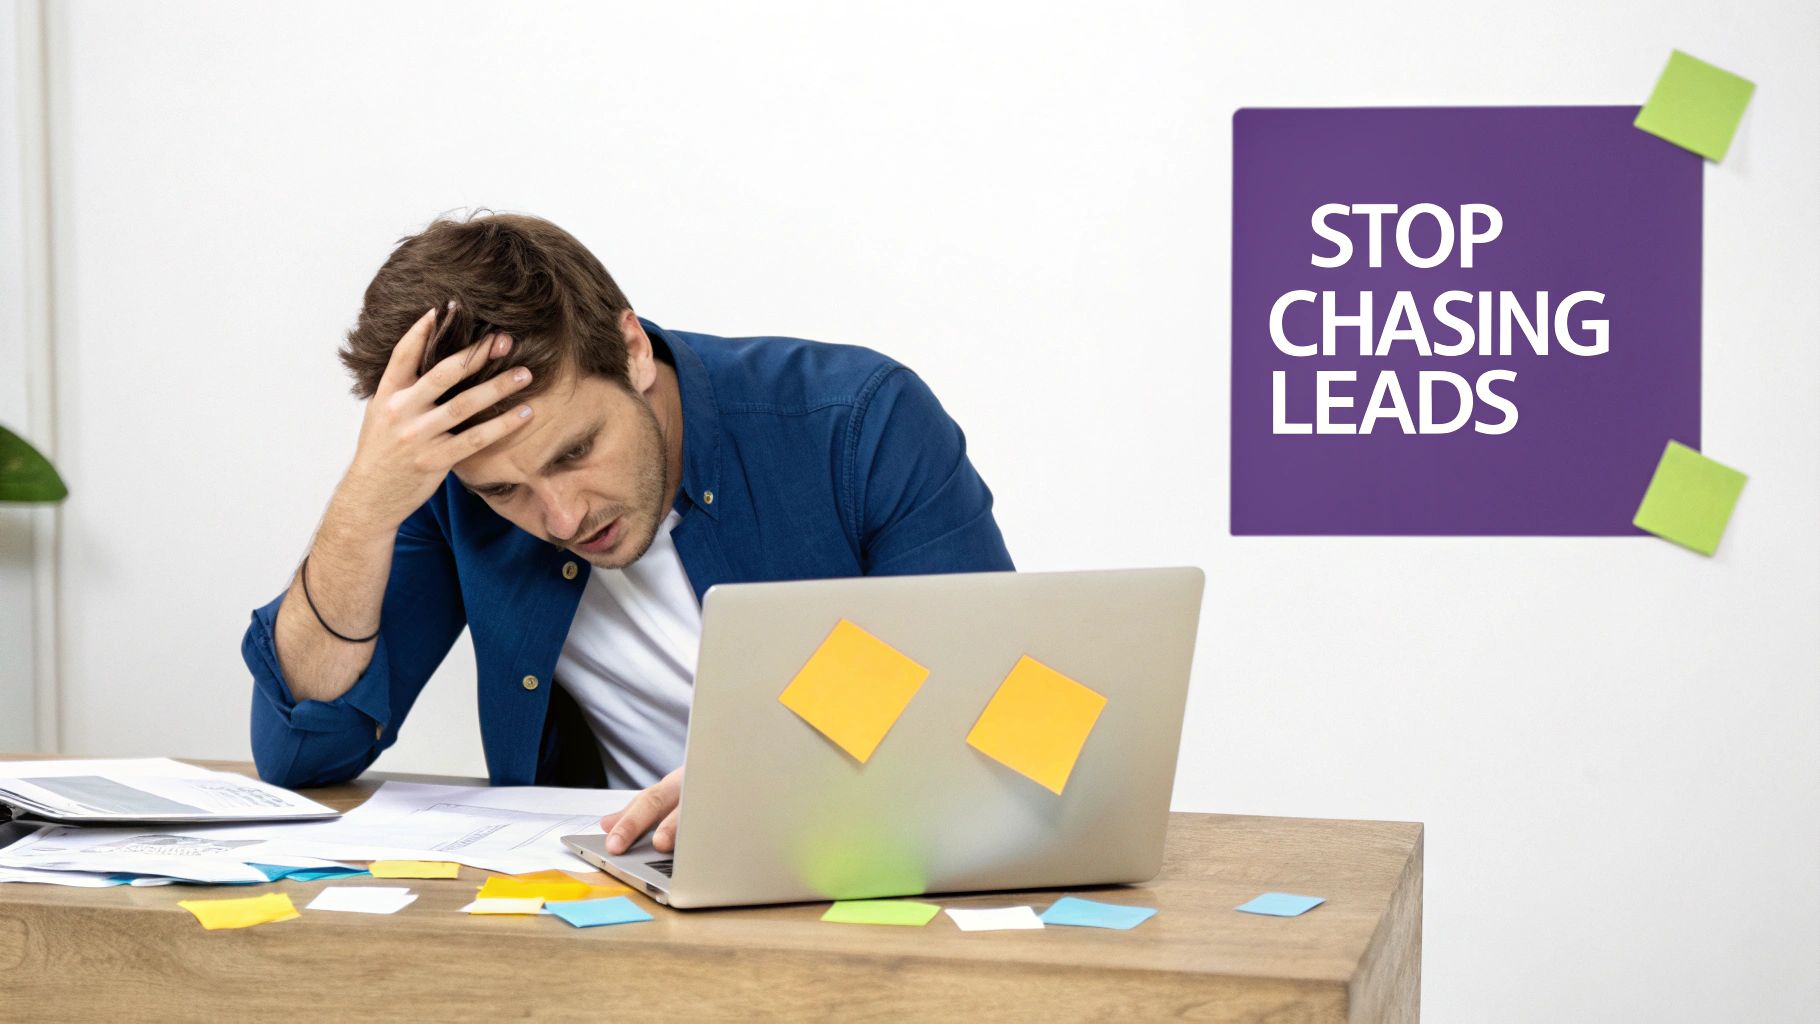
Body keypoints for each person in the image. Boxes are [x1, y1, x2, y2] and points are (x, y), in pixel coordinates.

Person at [241, 212, 1013, 857]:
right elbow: (304, 752)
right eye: (507, 490)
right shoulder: (456, 485)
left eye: (575, 451)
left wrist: (773, 772)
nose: (563, 519)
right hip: (622, 904)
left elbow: (987, 707)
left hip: (870, 867)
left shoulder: (857, 423)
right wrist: (363, 508)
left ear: (633, 350)